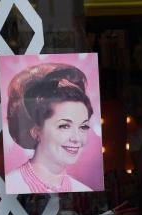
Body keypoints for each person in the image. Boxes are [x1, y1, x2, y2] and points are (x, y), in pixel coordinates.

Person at [5, 63, 95, 193]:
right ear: (36, 131)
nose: (77, 138)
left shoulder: (83, 190)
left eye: (83, 126)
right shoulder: (12, 185)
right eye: (64, 126)